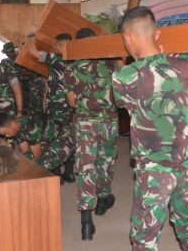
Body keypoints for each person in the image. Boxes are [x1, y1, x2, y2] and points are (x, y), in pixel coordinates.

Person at [112, 6, 188, 251]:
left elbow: (131, 98)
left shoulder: (123, 77)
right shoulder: (187, 67)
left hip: (154, 170)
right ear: (157, 34)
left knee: (145, 237)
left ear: (127, 38)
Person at [64, 27, 120, 241]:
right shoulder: (111, 63)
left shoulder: (71, 68)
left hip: (85, 123)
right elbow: (120, 95)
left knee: (85, 166)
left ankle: (86, 221)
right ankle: (103, 199)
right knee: (106, 160)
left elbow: (71, 102)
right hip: (109, 122)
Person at [27, 33, 74, 141]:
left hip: (56, 103)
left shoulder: (55, 59)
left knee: (53, 131)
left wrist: (31, 37)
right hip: (68, 102)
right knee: (65, 130)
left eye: (56, 45)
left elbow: (33, 51)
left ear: (60, 45)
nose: (54, 47)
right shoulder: (74, 60)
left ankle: (57, 151)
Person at [0, 112, 74, 174]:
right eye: (4, 135)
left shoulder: (29, 127)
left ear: (12, 123)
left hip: (66, 138)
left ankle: (48, 183)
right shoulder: (17, 128)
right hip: (49, 139)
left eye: (6, 133)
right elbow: (25, 151)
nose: (7, 136)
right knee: (27, 159)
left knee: (42, 164)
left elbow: (38, 156)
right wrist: (22, 166)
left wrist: (26, 170)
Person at [2, 41, 46, 123]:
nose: (8, 54)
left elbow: (33, 71)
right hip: (16, 91)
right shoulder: (6, 62)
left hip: (31, 88)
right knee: (20, 110)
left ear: (13, 50)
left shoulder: (24, 58)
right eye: (6, 53)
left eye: (9, 52)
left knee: (36, 108)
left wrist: (24, 73)